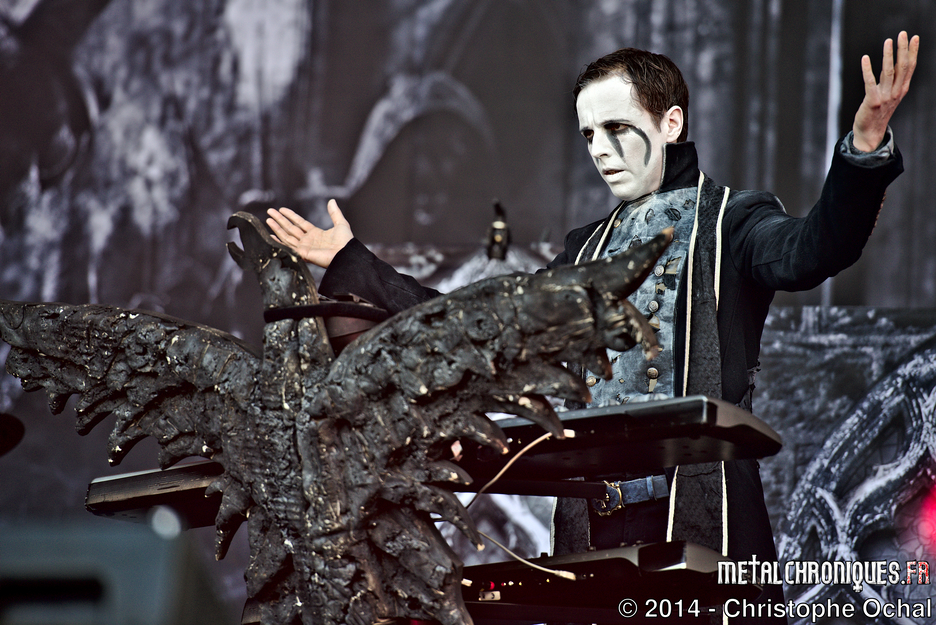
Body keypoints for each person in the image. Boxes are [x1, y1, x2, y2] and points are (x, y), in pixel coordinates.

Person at [267, 33, 918, 622]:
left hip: (701, 518)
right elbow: (477, 328)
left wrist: (863, 152)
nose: (600, 151)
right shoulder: (583, 252)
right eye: (588, 135)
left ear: (670, 123)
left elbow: (815, 249)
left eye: (616, 128)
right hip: (593, 528)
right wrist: (353, 264)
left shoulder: (733, 221)